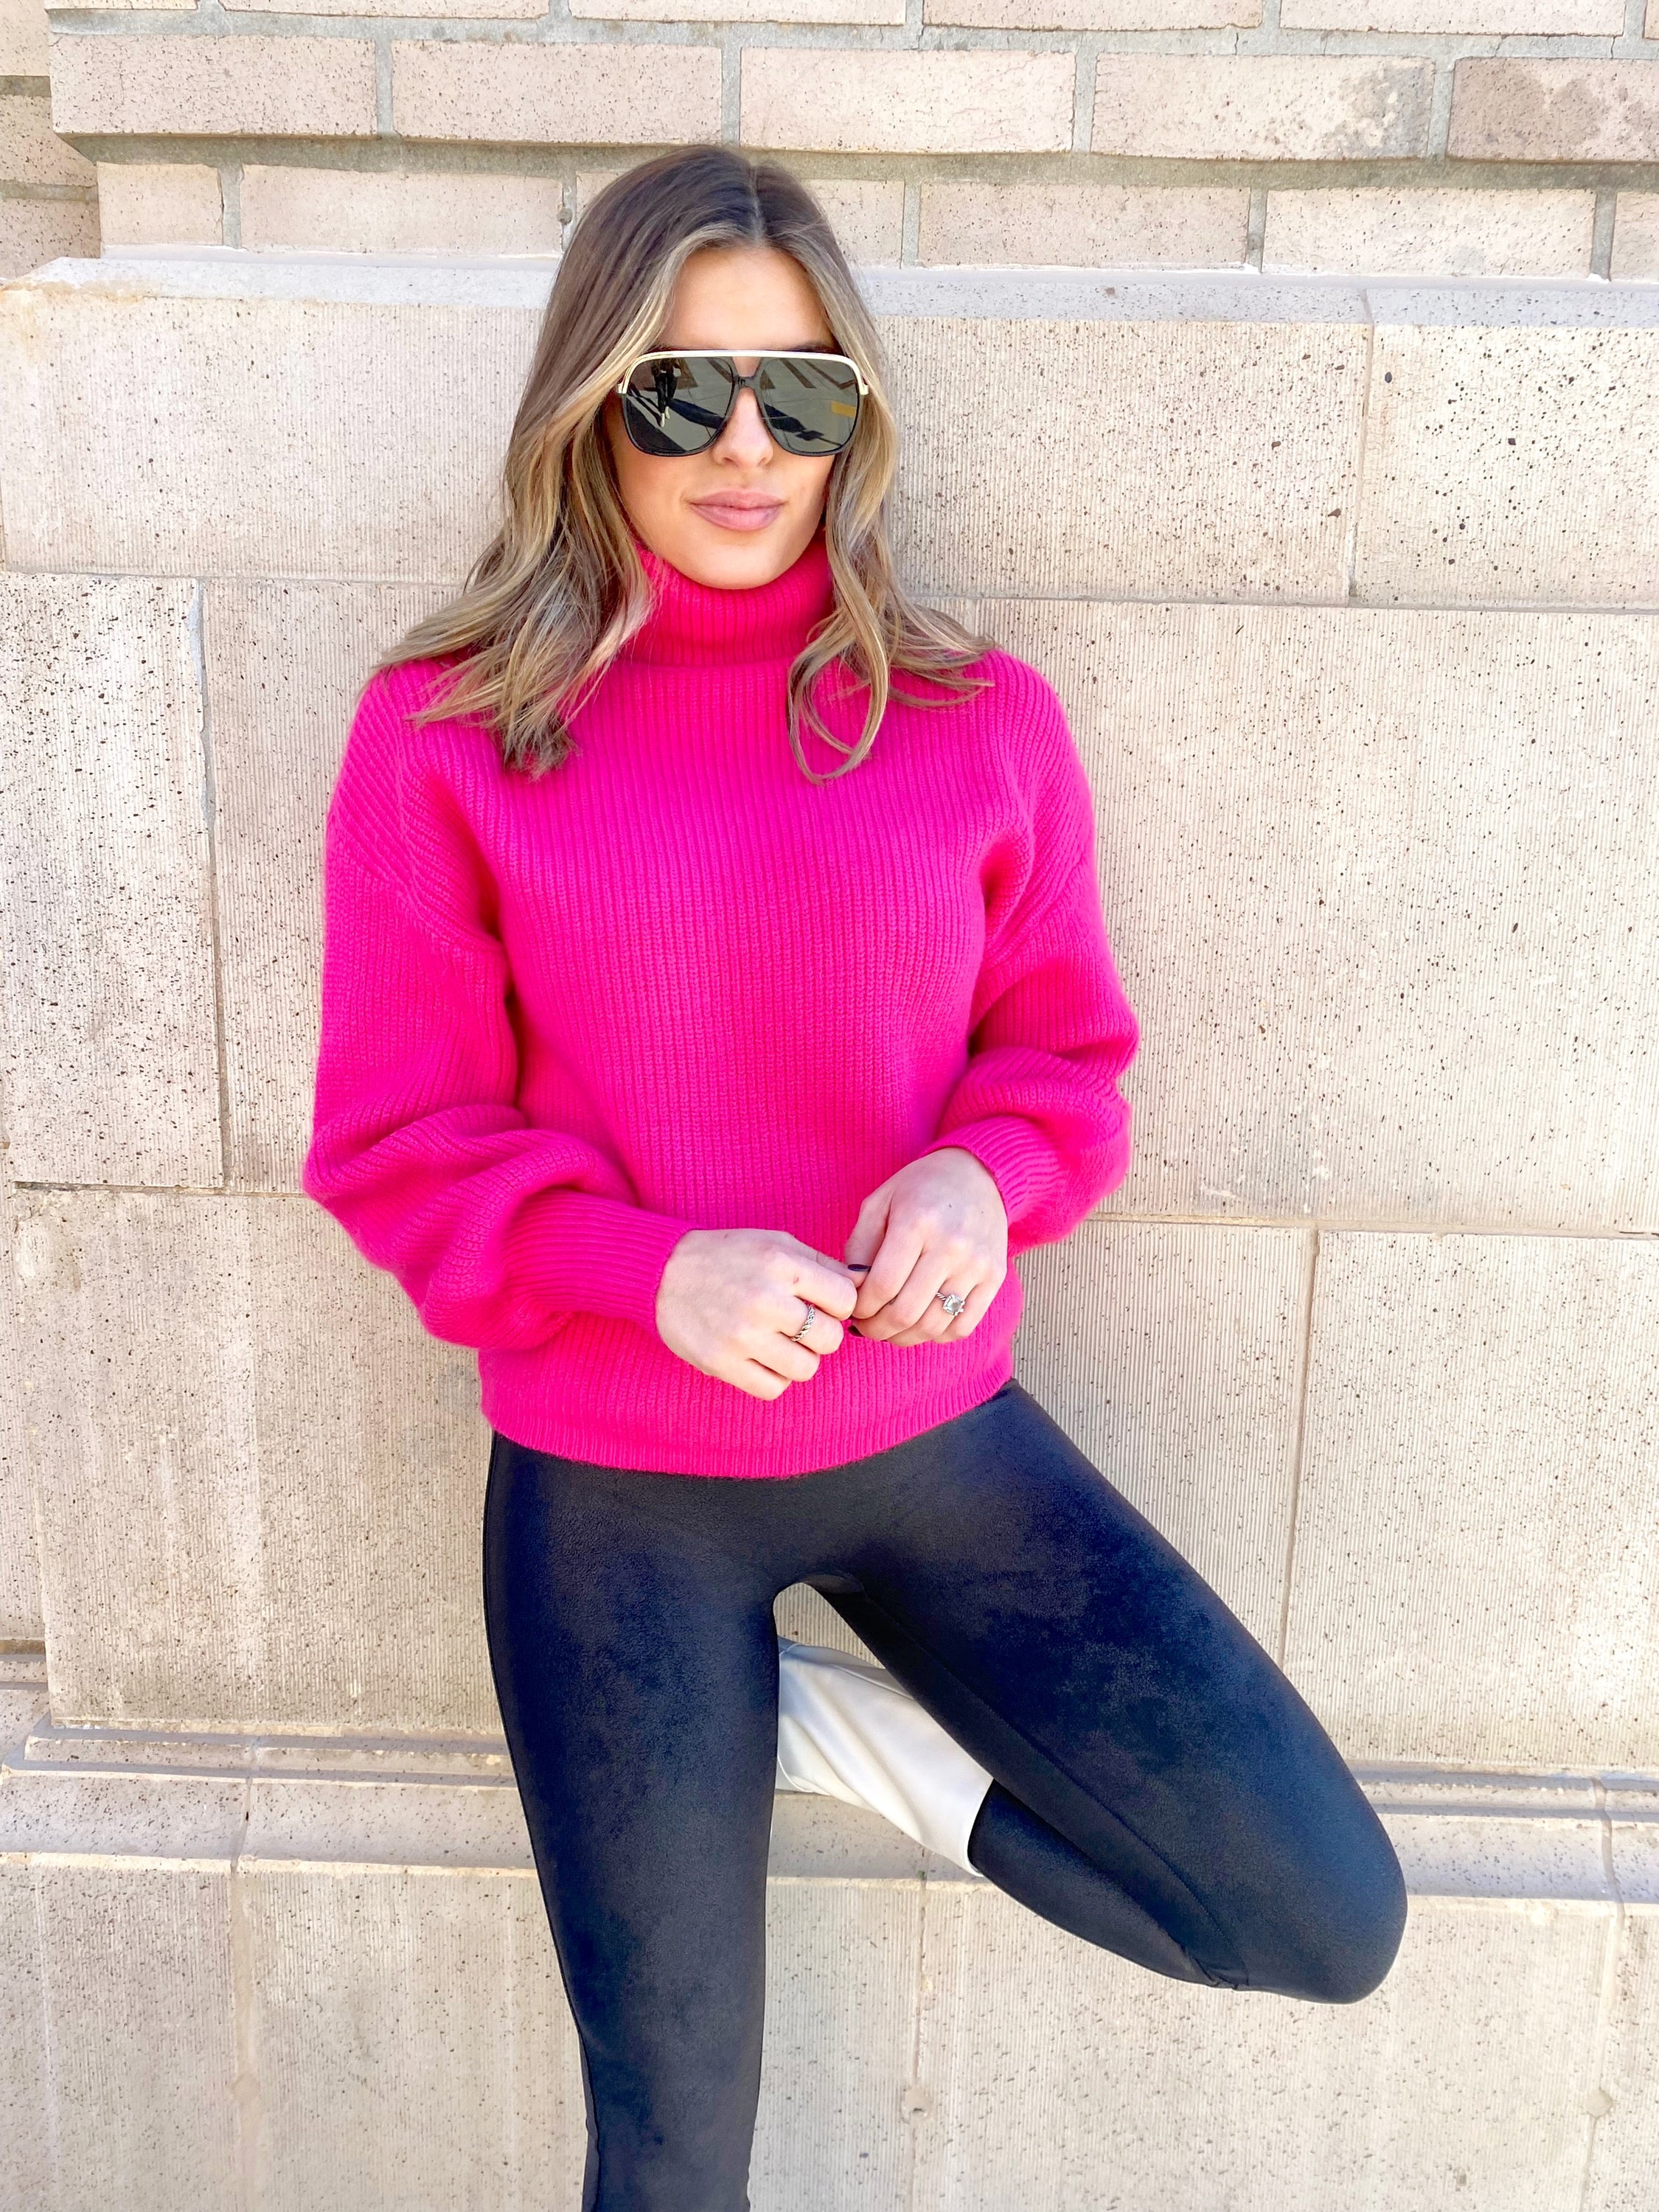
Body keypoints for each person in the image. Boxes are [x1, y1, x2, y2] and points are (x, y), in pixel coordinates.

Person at [303, 145, 1406, 2212]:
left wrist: (987, 1178)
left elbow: (1063, 1060)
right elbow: (389, 1142)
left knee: (1320, 1916)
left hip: (933, 1452)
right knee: (670, 2151)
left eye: (799, 392)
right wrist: (644, 1271)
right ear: (590, 410)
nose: (746, 447)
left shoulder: (975, 720)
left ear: (853, 417)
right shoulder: (446, 733)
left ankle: (871, 1748)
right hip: (615, 1507)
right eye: (680, 392)